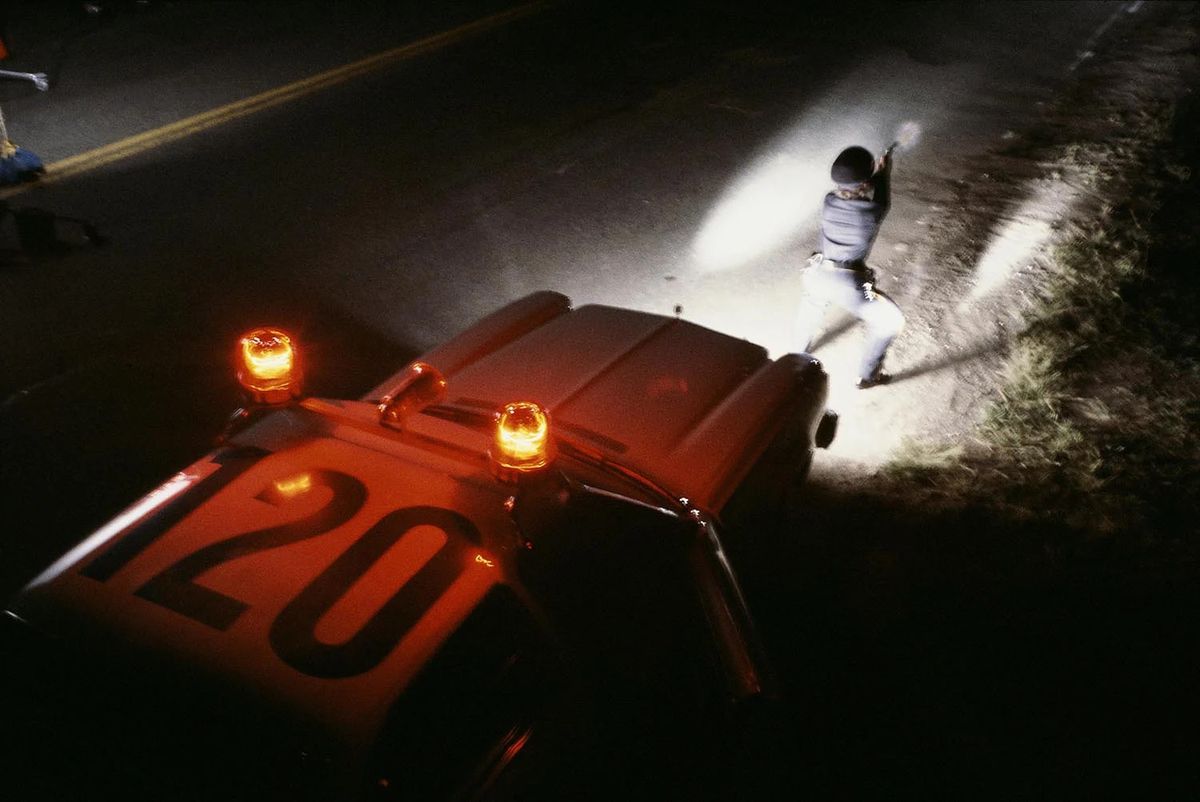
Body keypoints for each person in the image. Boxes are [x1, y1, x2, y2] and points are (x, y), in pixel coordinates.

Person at [796, 144, 905, 389]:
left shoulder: (830, 201)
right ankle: (868, 377)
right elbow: (881, 197)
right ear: (866, 183)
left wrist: (871, 174)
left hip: (816, 274)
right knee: (891, 321)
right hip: (852, 285)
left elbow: (861, 188)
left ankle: (797, 354)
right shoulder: (872, 212)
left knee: (813, 303)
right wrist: (883, 172)